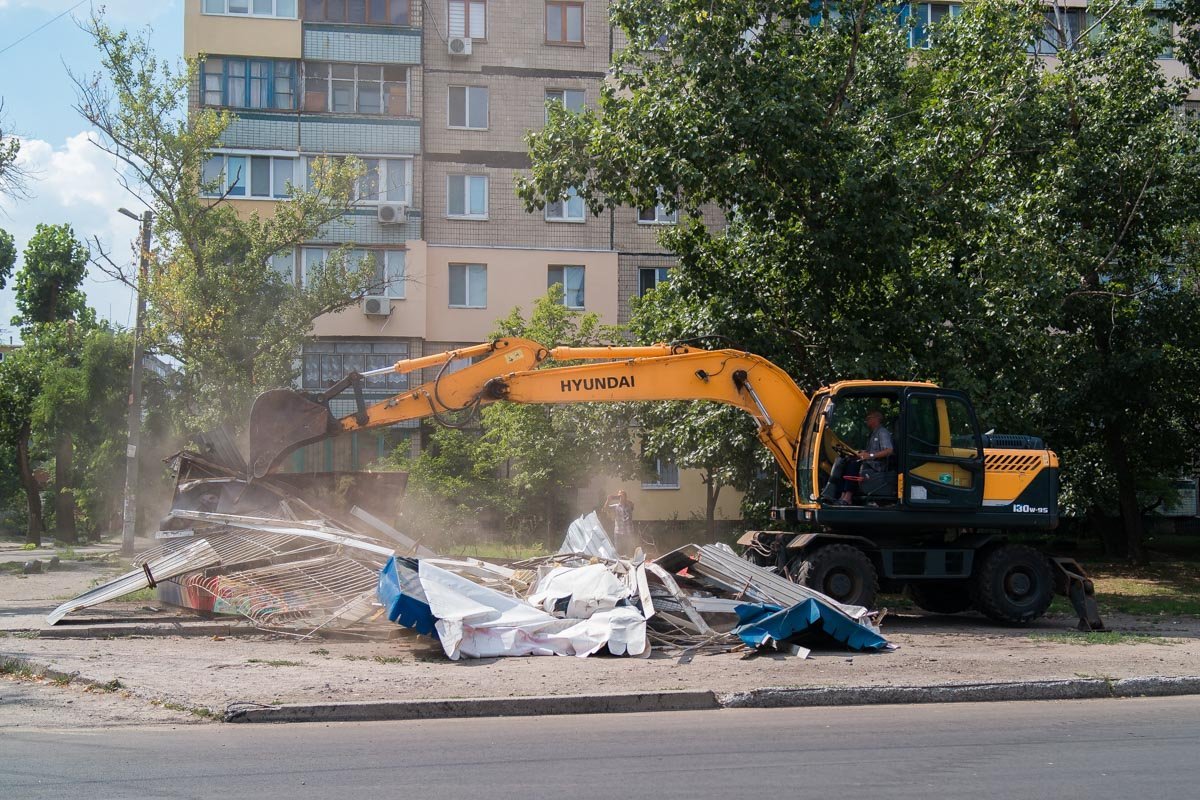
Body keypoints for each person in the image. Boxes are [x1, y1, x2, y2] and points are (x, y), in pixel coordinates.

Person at [822, 409, 894, 505]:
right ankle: (837, 494)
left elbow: (889, 450)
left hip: (878, 466)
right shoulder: (873, 434)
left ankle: (848, 497)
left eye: (869, 418)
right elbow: (871, 451)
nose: (866, 420)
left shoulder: (882, 432)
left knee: (853, 464)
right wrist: (861, 452)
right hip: (870, 462)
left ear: (877, 418)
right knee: (844, 461)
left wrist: (870, 455)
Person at [605, 490, 635, 555]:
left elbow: (632, 505)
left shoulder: (629, 505)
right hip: (618, 532)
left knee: (629, 551)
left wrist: (625, 499)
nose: (620, 497)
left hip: (628, 532)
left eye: (621, 495)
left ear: (625, 497)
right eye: (619, 496)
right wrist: (608, 500)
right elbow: (605, 509)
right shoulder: (616, 506)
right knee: (618, 551)